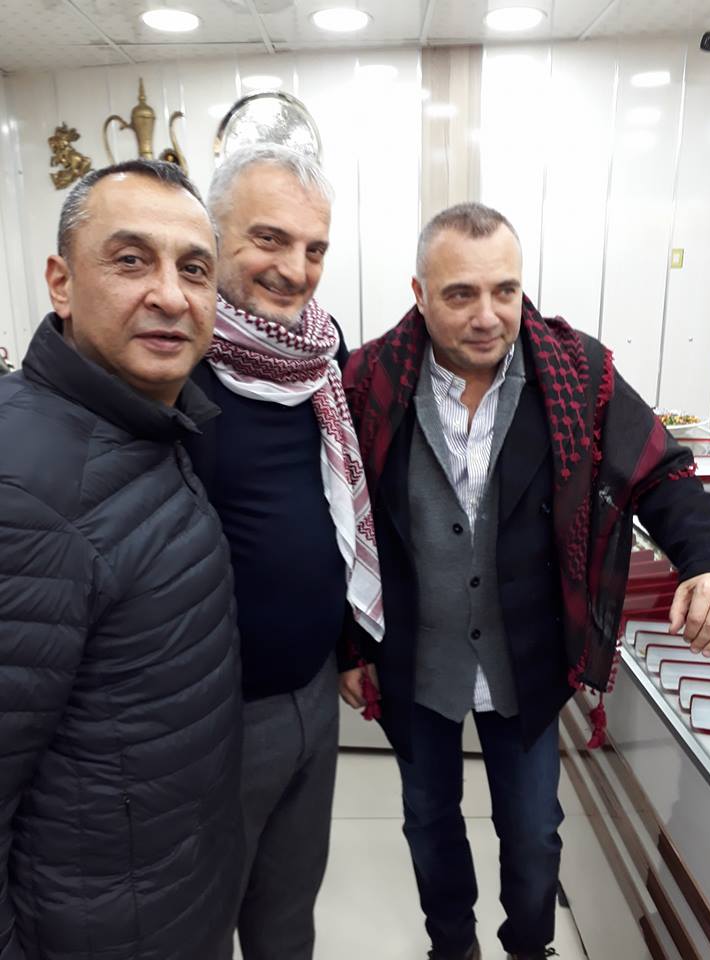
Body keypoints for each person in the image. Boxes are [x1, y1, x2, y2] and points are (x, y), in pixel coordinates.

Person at [342, 202, 710, 960]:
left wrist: (707, 559)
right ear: (419, 293)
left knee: (535, 831)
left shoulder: (579, 374)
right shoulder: (368, 381)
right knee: (428, 823)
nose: (488, 316)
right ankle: (451, 946)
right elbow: (339, 518)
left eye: (505, 291)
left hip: (527, 658)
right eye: (460, 294)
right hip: (415, 658)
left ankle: (527, 947)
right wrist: (349, 645)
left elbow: (662, 469)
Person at [0, 160, 244, 960]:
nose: (171, 295)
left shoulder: (149, 427)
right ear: (61, 283)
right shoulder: (27, 489)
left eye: (194, 269)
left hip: (167, 899)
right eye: (131, 260)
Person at [184, 143, 383, 960]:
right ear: (212, 235)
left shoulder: (322, 356)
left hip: (309, 694)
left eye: (314, 248)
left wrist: (348, 646)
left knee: (288, 916)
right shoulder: (173, 361)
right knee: (196, 923)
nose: (295, 269)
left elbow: (333, 511)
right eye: (268, 239)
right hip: (211, 717)